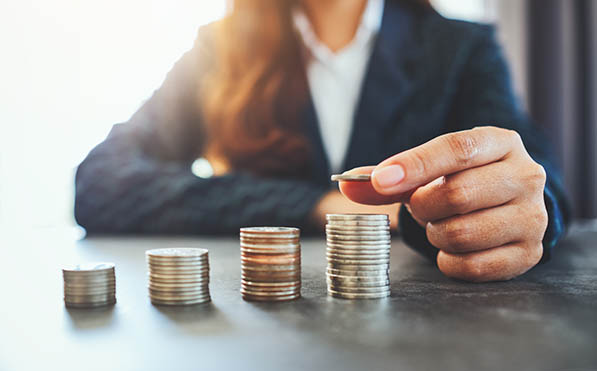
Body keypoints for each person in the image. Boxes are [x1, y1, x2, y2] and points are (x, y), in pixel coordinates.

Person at [75, 0, 569, 282]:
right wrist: (321, 205)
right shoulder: (217, 49)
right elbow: (98, 183)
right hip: (264, 329)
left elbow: (538, 180)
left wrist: (524, 207)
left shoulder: (462, 47)